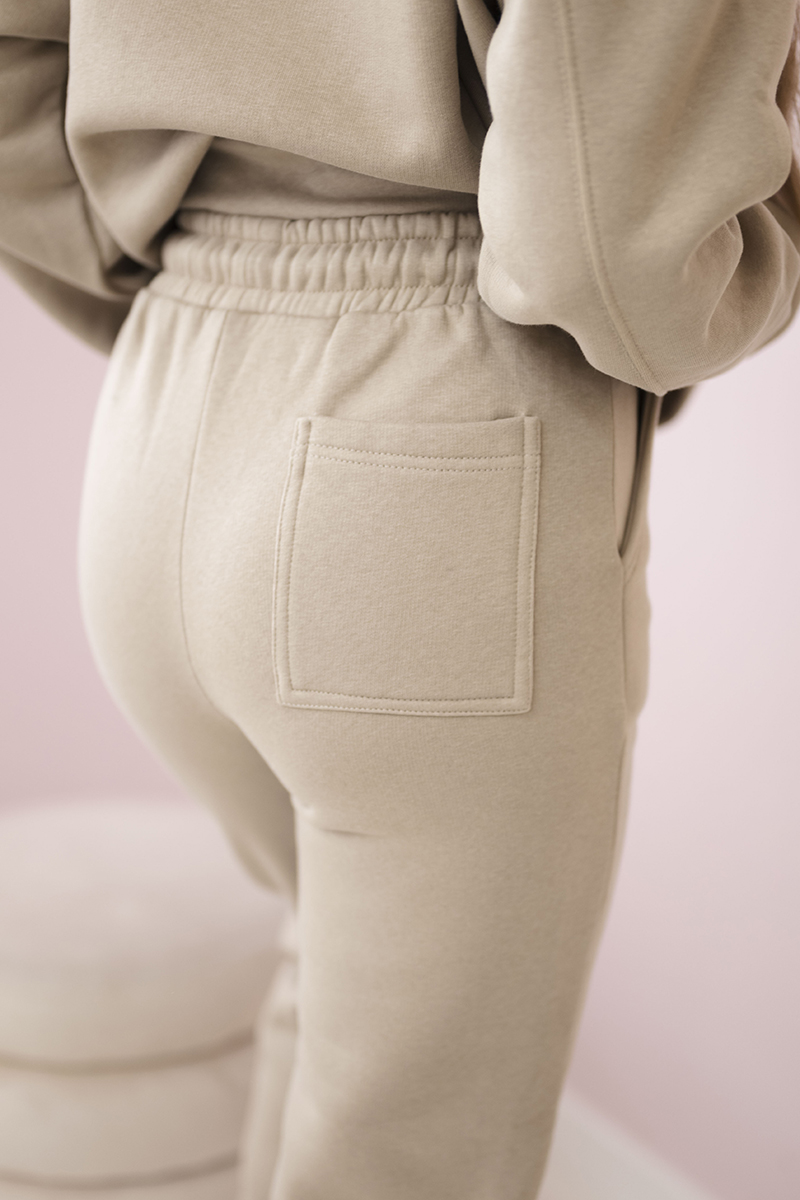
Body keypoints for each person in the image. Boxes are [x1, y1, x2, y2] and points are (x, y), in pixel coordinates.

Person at [2, 2, 799, 1197]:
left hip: (159, 423)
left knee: (331, 1013)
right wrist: (743, 279)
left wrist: (176, 272)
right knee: (418, 1152)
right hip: (440, 424)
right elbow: (612, 238)